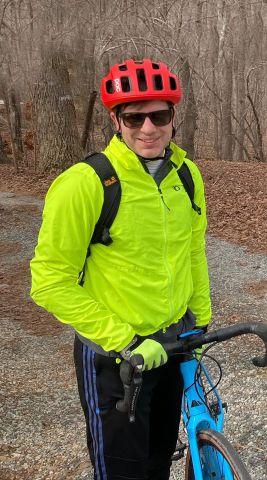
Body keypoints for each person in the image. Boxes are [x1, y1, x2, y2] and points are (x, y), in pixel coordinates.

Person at [30, 58, 211, 479]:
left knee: (157, 461)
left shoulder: (186, 176)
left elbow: (193, 252)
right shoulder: (86, 183)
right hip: (117, 362)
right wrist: (126, 342)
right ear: (115, 119)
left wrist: (199, 322)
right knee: (123, 471)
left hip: (171, 345)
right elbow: (49, 282)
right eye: (134, 117)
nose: (148, 128)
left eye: (159, 115)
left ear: (173, 116)